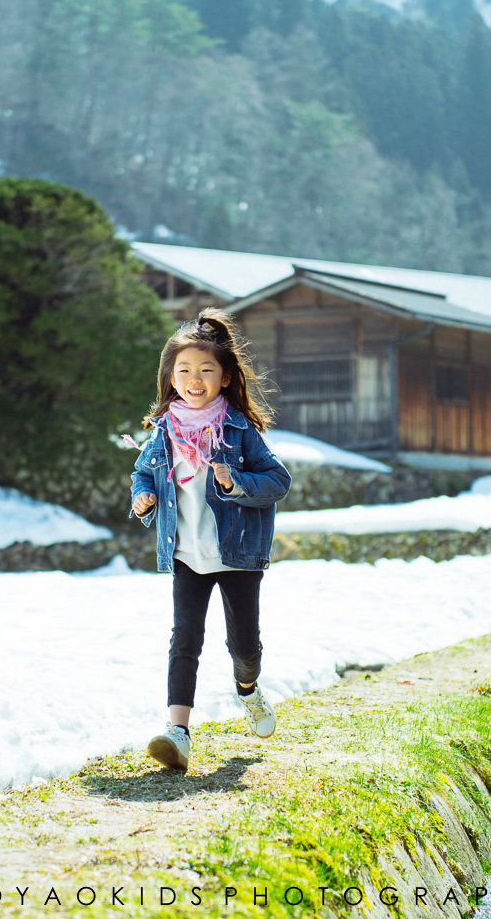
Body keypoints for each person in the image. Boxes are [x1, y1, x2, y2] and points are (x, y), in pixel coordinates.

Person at [129, 308, 292, 772]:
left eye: (205, 371)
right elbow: (143, 472)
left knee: (244, 646)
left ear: (224, 378)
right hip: (187, 554)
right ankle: (177, 733)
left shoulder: (240, 429)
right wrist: (143, 497)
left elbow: (278, 480)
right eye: (184, 371)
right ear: (171, 376)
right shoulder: (164, 432)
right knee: (185, 639)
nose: (194, 379)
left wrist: (234, 480)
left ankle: (247, 688)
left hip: (238, 554)